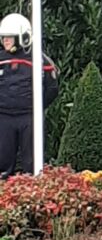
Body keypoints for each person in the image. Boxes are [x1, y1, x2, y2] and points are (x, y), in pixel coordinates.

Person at [0, 13, 58, 177]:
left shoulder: (38, 59)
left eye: (9, 38)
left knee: (32, 161)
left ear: (21, 38)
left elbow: (52, 87)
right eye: (4, 38)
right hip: (4, 117)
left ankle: (32, 192)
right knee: (3, 159)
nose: (6, 41)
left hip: (29, 117)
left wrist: (37, 106)